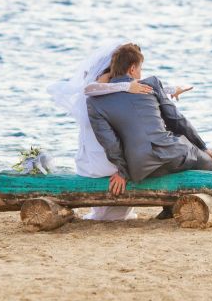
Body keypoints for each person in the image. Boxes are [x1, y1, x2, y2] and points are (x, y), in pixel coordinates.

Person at [88, 43, 212, 219]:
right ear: (132, 69)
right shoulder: (151, 84)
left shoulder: (94, 102)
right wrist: (203, 147)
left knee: (174, 163)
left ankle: (169, 207)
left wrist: (122, 171)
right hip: (172, 154)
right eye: (140, 68)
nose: (141, 73)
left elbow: (109, 142)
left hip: (139, 167)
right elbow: (176, 120)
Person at [46, 39, 190, 221]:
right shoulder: (101, 88)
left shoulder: (106, 89)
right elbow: (91, 89)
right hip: (112, 161)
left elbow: (151, 87)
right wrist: (127, 86)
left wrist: (175, 89)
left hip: (100, 161)